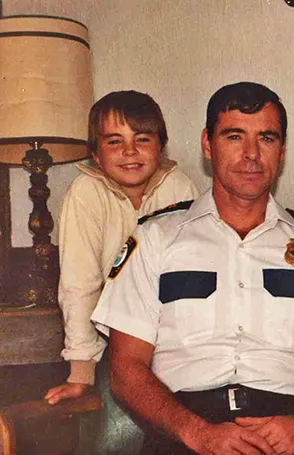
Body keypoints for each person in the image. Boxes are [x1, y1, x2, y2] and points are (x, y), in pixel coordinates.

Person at [91, 82, 294, 455]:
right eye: (234, 136)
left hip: (290, 430)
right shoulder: (155, 238)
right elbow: (125, 369)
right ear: (207, 144)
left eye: (266, 138)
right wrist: (196, 433)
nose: (251, 154)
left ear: (281, 151)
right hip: (186, 430)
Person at [45, 90, 199, 405]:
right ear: (96, 155)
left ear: (160, 147)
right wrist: (81, 370)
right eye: (115, 141)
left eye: (142, 139)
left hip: (178, 341)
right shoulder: (85, 194)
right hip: (114, 342)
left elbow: (196, 272)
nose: (129, 151)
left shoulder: (180, 187)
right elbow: (79, 283)